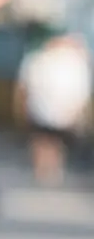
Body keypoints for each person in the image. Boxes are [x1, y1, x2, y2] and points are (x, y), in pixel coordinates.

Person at [15, 32, 91, 186]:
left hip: (49, 109)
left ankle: (46, 169)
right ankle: (48, 169)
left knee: (47, 140)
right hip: (51, 108)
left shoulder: (41, 59)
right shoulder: (70, 62)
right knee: (48, 140)